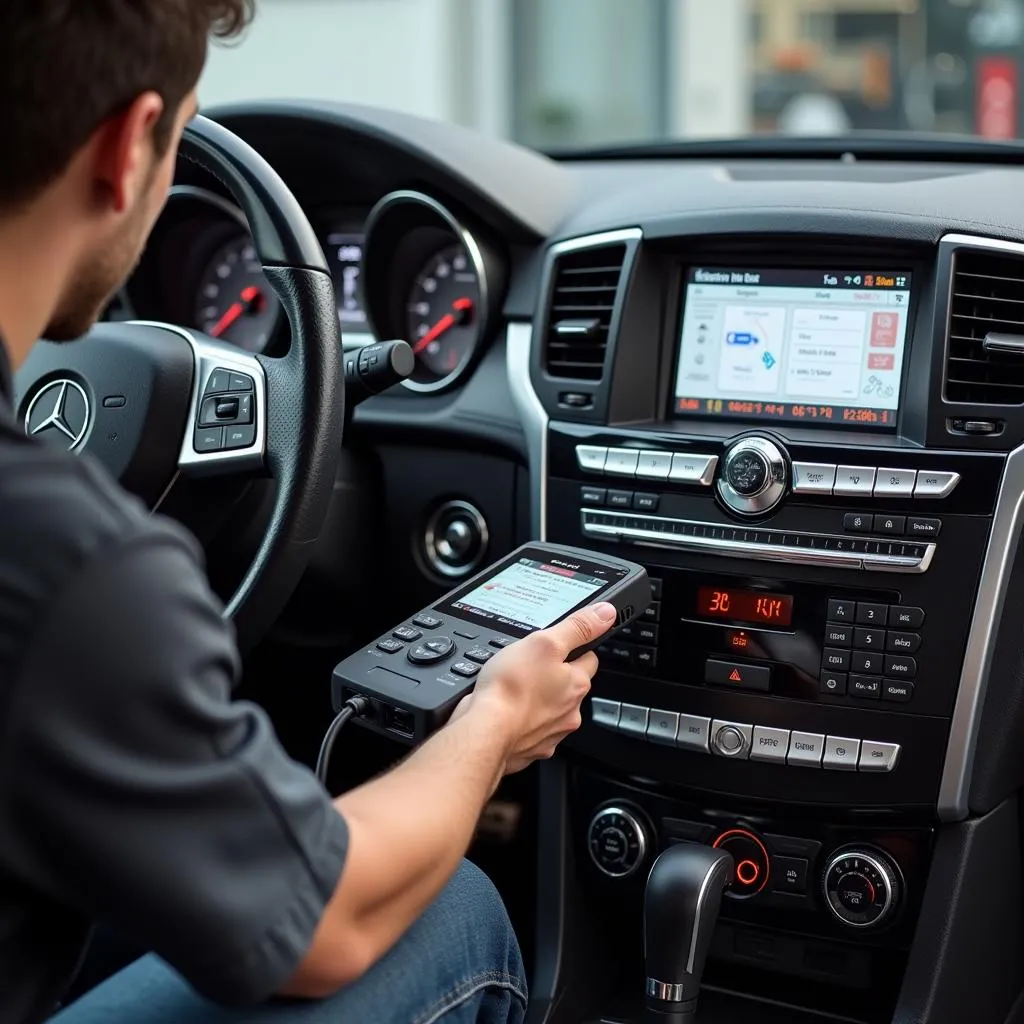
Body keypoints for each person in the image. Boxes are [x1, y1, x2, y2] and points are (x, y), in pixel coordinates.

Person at [0, 3, 612, 1022]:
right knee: (449, 909)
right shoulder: (72, 565)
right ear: (123, 150)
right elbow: (326, 926)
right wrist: (493, 723)